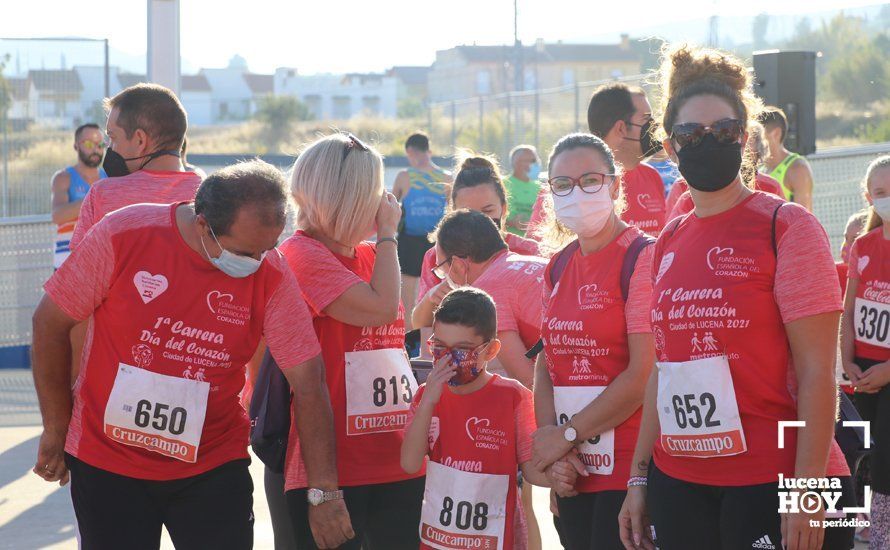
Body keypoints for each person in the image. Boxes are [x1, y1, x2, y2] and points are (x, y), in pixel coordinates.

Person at [31, 159, 350, 550]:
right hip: (108, 461)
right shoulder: (124, 233)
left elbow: (309, 381)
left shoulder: (271, 271)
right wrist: (56, 424)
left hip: (212, 464)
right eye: (244, 251)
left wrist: (324, 493)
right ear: (203, 224)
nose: (255, 263)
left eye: (266, 250)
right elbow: (49, 323)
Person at [619, 44, 854, 550]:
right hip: (680, 481)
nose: (708, 142)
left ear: (744, 139)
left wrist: (807, 490)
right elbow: (663, 369)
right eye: (691, 134)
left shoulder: (786, 226)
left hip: (775, 479)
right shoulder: (667, 241)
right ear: (670, 146)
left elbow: (817, 371)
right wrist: (639, 478)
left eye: (723, 131)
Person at [281, 133, 424, 549]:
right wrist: (389, 233)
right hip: (335, 468)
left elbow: (395, 331)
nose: (383, 200)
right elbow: (380, 308)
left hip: (396, 455)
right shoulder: (301, 254)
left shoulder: (369, 254)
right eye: (373, 191)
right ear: (346, 197)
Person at [529, 133, 655, 550]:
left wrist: (563, 437)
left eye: (589, 180)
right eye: (562, 185)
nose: (576, 193)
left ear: (615, 186)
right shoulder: (558, 265)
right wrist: (555, 451)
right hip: (573, 473)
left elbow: (641, 376)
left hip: (628, 474)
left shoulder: (642, 257)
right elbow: (546, 363)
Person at [401, 287, 550, 549]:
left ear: (491, 350)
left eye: (462, 350)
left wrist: (564, 469)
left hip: (497, 538)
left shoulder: (514, 397)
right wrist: (428, 403)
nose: (448, 359)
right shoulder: (427, 396)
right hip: (441, 539)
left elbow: (534, 472)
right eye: (439, 347)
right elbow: (410, 463)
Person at [413, 210, 546, 389]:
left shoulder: (488, 288)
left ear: (459, 264)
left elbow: (528, 382)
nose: (445, 278)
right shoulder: (536, 262)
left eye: (442, 270)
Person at [70, 83, 202, 250]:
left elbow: (83, 267)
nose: (109, 148)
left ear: (140, 140)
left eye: (113, 137)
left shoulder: (103, 193)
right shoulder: (206, 194)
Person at [414, 154, 541, 316]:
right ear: (452, 213)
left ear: (504, 208)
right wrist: (431, 298)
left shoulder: (529, 253)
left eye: (487, 211)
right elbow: (418, 324)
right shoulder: (437, 257)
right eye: (468, 212)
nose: (478, 221)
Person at [840, 155, 890, 548]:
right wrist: (846, 360)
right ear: (869, 197)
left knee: (887, 460)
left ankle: (882, 535)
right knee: (857, 452)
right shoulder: (863, 245)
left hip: (888, 372)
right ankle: (857, 526)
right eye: (880, 192)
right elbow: (850, 307)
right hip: (861, 370)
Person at [392, 132, 452, 337]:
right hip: (432, 240)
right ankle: (425, 334)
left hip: (420, 240)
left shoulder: (404, 176)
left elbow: (391, 208)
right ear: (429, 150)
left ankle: (411, 334)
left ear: (409, 152)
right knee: (434, 287)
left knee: (411, 288)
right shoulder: (446, 177)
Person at [587, 83, 666, 236]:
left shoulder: (652, 176)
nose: (655, 128)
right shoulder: (577, 184)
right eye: (646, 120)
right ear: (621, 129)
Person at [665, 121, 785, 220]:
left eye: (728, 135)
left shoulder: (771, 186)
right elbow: (671, 240)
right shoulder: (683, 191)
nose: (712, 145)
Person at [51, 123, 107, 269]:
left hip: (100, 259)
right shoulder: (64, 177)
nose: (95, 149)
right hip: (68, 259)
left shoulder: (109, 179)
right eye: (89, 143)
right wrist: (94, 198)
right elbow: (57, 216)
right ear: (76, 146)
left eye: (100, 144)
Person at [759, 106, 815, 211]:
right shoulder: (760, 169)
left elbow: (804, 220)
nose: (752, 140)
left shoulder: (797, 168)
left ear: (776, 134)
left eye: (758, 135)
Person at [504, 144, 542, 235]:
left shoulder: (540, 188)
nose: (535, 164)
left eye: (535, 160)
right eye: (531, 161)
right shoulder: (501, 184)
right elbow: (488, 214)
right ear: (516, 162)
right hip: (507, 243)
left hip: (532, 245)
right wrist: (511, 223)